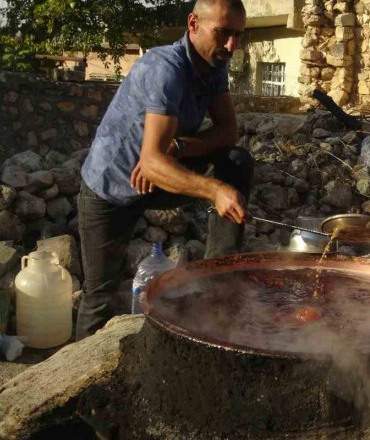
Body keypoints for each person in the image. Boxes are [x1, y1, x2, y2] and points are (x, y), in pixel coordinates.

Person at [76, 0, 252, 339]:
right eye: (223, 33)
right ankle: (72, 379)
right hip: (110, 188)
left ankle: (218, 280)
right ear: (193, 24)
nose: (231, 45)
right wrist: (215, 190)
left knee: (236, 161)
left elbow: (227, 133)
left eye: (238, 36)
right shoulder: (165, 68)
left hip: (159, 174)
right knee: (100, 297)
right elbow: (152, 163)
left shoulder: (215, 64)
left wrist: (181, 146)